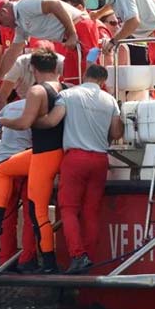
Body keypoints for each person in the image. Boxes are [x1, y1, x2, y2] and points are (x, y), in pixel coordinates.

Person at [0, 48, 67, 274]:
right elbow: (52, 121)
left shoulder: (35, 92)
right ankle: (30, 259)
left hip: (41, 156)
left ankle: (42, 261)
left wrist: (3, 119)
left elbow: (24, 123)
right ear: (56, 68)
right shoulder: (65, 91)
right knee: (34, 211)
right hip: (50, 154)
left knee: (36, 212)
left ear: (32, 69)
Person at [34, 64, 123, 274]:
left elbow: (52, 121)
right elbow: (117, 132)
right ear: (103, 82)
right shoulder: (110, 101)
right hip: (100, 159)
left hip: (75, 159)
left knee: (69, 209)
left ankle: (77, 255)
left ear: (84, 76)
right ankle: (89, 259)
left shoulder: (68, 95)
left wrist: (32, 121)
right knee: (91, 211)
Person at [0, 0, 98, 95]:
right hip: (70, 35)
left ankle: (97, 105)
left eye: (1, 22)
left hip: (81, 26)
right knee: (71, 78)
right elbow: (11, 54)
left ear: (4, 12)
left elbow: (55, 4)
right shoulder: (20, 26)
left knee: (89, 75)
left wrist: (72, 34)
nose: (4, 26)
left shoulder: (25, 5)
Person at [0, 98, 38, 271]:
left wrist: (5, 138)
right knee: (30, 215)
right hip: (26, 165)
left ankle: (5, 260)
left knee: (7, 217)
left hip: (3, 161)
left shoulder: (10, 106)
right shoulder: (38, 107)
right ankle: (27, 259)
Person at [0, 40, 65, 111]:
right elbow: (2, 97)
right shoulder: (19, 64)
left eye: (48, 60)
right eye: (41, 60)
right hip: (25, 102)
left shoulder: (60, 61)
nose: (44, 62)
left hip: (53, 102)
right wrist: (1, 118)